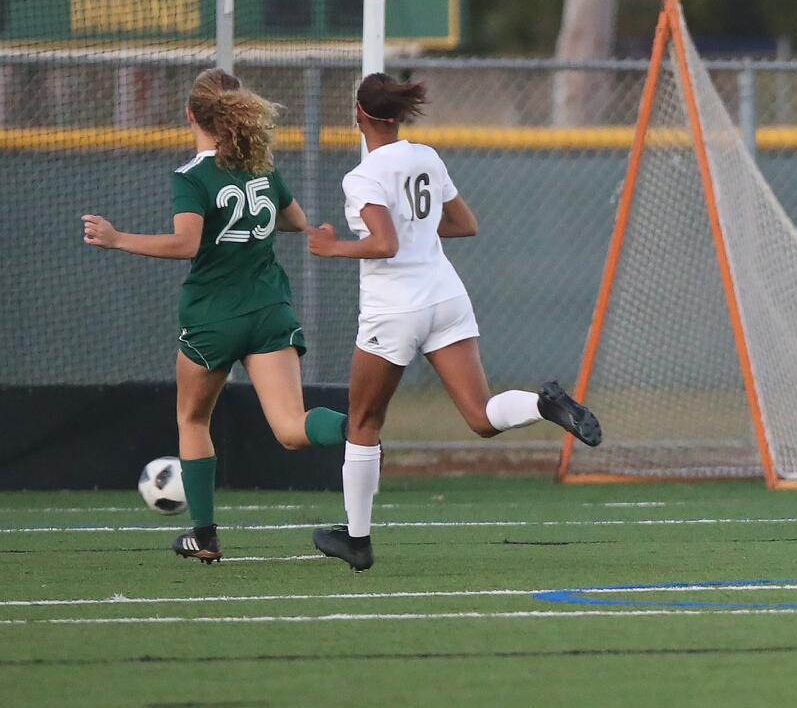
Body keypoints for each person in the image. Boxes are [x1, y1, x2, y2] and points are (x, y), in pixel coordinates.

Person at [306, 73, 603, 571]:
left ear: (359, 115)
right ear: (396, 116)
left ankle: (357, 540)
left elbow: (384, 244)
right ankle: (542, 403)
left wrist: (331, 246)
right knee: (481, 416)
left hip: (395, 308)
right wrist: (414, 226)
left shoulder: (361, 176)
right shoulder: (425, 156)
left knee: (362, 422)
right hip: (445, 296)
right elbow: (465, 223)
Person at [82, 68, 348, 563]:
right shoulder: (261, 167)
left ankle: (204, 535)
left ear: (191, 115)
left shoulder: (192, 177)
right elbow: (297, 221)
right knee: (292, 428)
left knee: (192, 417)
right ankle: (359, 429)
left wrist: (118, 239)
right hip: (270, 311)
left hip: (212, 320)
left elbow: (186, 244)